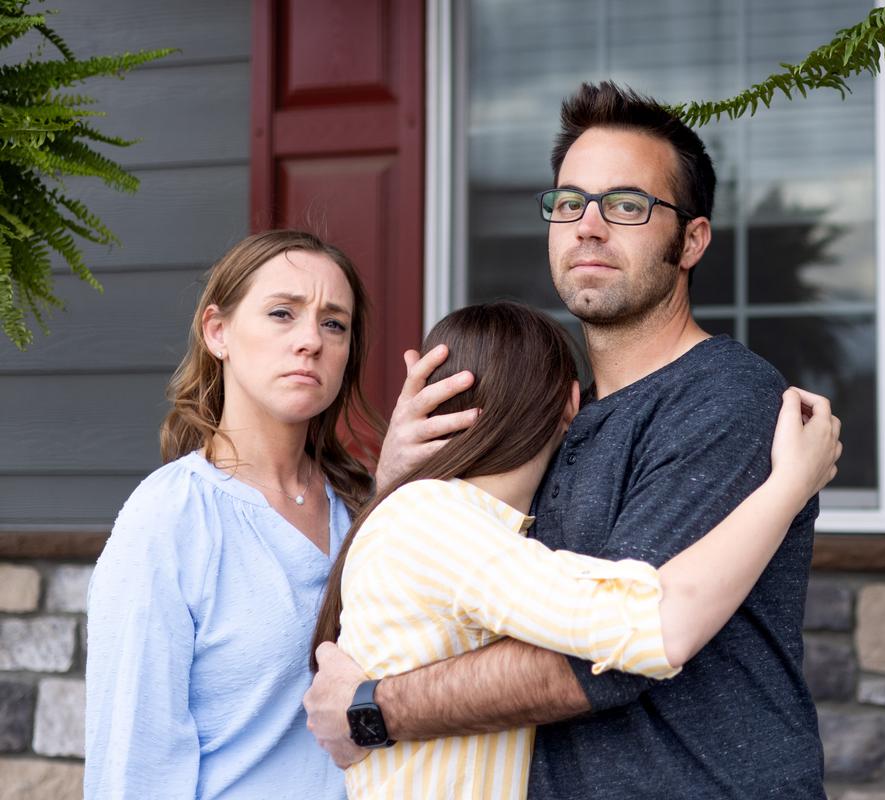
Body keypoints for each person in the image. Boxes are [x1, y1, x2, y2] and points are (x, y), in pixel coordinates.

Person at [305, 81, 836, 798]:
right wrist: (398, 483)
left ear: (692, 240)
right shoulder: (552, 434)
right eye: (568, 203)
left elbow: (607, 658)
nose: (588, 226)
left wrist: (373, 709)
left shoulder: (724, 399)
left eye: (626, 205)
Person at [312, 301, 841, 798]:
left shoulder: (459, 523)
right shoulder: (439, 519)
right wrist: (789, 485)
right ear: (572, 406)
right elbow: (647, 626)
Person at [85, 230, 382, 799]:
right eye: (281, 313)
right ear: (218, 332)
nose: (310, 341)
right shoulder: (170, 519)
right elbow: (133, 766)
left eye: (333, 323)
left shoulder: (363, 507)